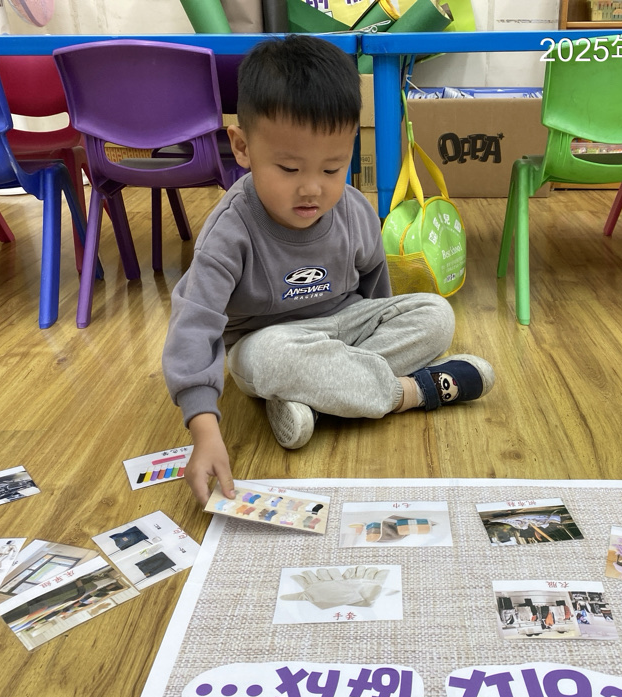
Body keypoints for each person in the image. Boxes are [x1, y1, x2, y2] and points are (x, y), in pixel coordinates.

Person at [162, 35, 495, 505]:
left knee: (435, 313)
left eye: (333, 169)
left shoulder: (354, 210)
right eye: (288, 168)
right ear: (242, 147)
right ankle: (415, 392)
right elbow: (193, 327)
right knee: (267, 359)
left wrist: (377, 326)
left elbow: (377, 291)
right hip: (269, 340)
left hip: (347, 326)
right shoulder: (229, 231)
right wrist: (204, 427)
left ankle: (317, 401)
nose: (312, 189)